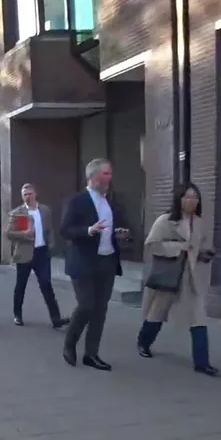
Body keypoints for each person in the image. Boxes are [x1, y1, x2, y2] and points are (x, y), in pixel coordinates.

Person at [136, 182, 219, 376]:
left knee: (198, 317)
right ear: (179, 199)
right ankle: (143, 342)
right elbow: (152, 245)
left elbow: (197, 249)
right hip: (170, 275)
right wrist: (178, 247)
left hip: (191, 278)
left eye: (195, 197)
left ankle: (202, 362)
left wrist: (204, 254)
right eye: (187, 197)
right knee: (157, 313)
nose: (192, 201)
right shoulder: (166, 221)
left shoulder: (199, 222)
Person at [60, 158, 132, 370]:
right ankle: (69, 343)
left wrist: (123, 233)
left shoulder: (112, 202)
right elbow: (65, 230)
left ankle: (91, 354)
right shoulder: (77, 201)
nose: (110, 178)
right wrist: (88, 230)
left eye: (110, 174)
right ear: (93, 177)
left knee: (100, 309)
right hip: (83, 262)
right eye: (106, 174)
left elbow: (122, 226)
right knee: (86, 305)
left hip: (107, 261)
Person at [5, 184, 69, 329]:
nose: (28, 197)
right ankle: (17, 315)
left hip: (42, 253)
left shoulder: (44, 210)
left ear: (35, 194)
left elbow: (49, 228)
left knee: (46, 284)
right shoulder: (18, 213)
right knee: (21, 285)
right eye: (25, 194)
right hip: (25, 254)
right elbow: (8, 233)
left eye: (30, 194)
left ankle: (56, 319)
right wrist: (24, 234)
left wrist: (51, 242)